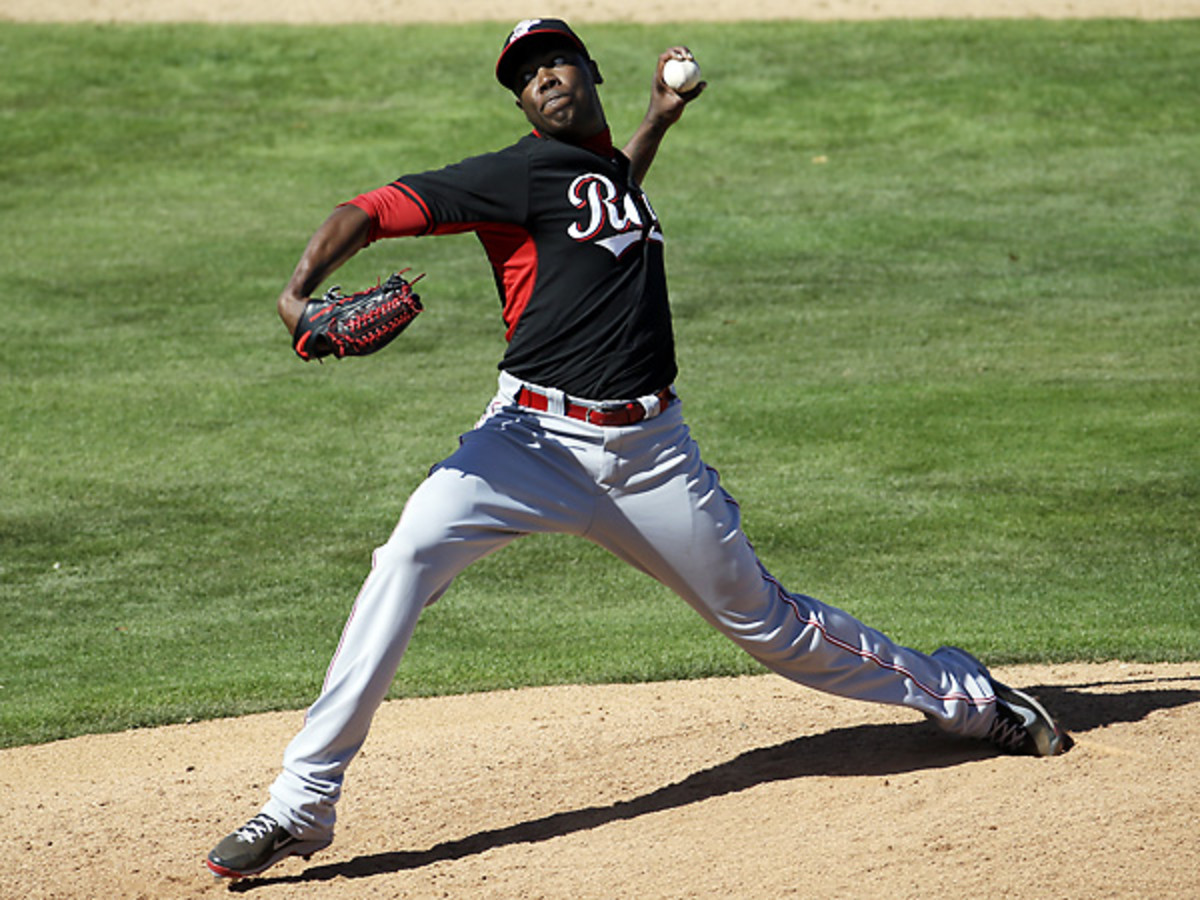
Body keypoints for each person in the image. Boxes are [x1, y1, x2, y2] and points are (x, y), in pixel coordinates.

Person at [205, 18, 1069, 880]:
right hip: (529, 441)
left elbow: (609, 199)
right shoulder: (514, 172)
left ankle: (965, 699)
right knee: (403, 560)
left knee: (767, 623)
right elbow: (368, 209)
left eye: (558, 60)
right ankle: (301, 801)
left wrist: (658, 120)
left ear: (591, 74)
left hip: (652, 455)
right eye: (526, 73)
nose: (544, 76)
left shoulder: (609, 172)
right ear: (520, 101)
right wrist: (295, 294)